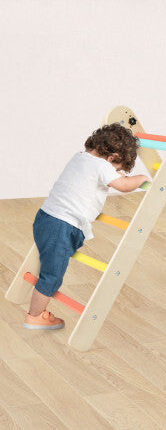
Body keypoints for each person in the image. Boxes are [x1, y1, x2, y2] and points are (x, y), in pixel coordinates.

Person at [24, 123, 150, 330]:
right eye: (118, 170)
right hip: (62, 226)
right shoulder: (103, 167)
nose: (117, 174)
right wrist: (141, 178)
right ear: (112, 158)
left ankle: (36, 311)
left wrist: (115, 173)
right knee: (52, 276)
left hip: (45, 217)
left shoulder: (80, 157)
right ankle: (35, 316)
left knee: (48, 263)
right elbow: (124, 186)